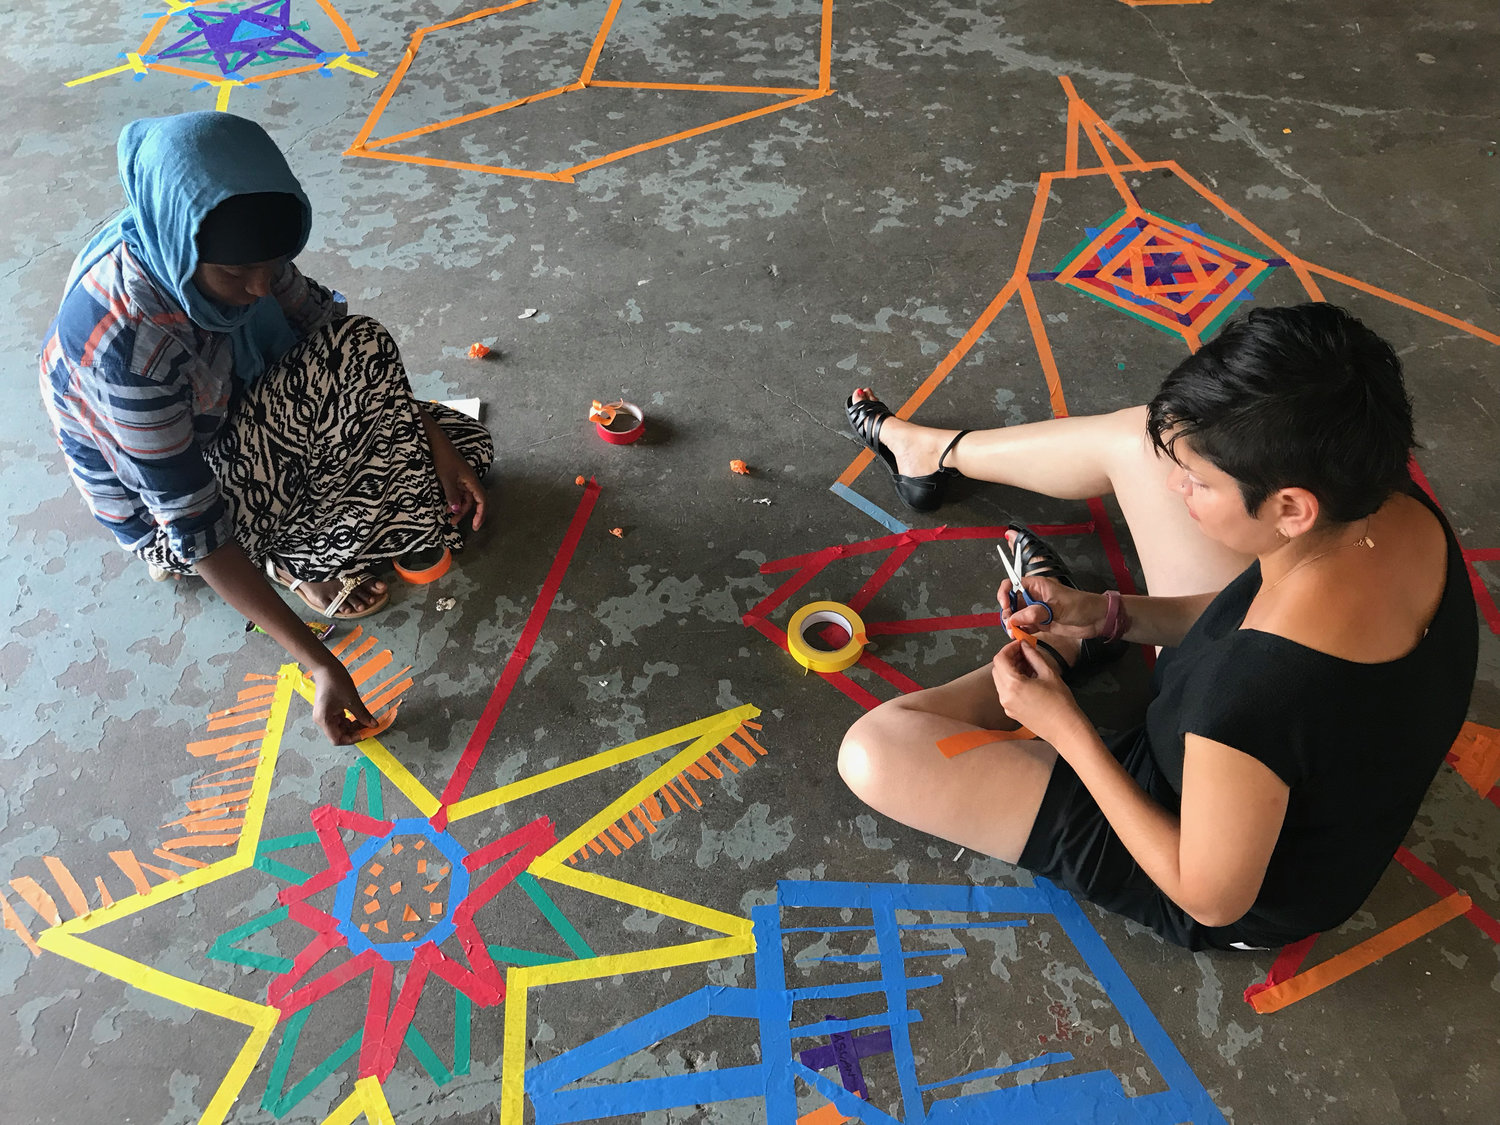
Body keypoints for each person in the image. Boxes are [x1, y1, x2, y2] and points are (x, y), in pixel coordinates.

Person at [838, 303, 1478, 950]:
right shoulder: (1384, 504)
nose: (1175, 485)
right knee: (1141, 441)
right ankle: (931, 456)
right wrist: (1106, 612)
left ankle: (1062, 657)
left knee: (875, 752)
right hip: (1265, 763)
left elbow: (1212, 896)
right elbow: (1244, 617)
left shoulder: (1246, 698)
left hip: (1201, 855)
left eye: (1196, 482)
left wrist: (1066, 725)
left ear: (1291, 508)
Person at [39, 112, 493, 745]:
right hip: (178, 514)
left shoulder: (225, 251)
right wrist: (321, 662)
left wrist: (431, 439)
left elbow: (332, 340)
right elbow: (193, 521)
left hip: (236, 418)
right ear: (184, 244)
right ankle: (292, 560)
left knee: (395, 380)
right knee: (389, 482)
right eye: (235, 274)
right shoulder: (127, 345)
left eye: (273, 263)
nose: (259, 287)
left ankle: (325, 528)